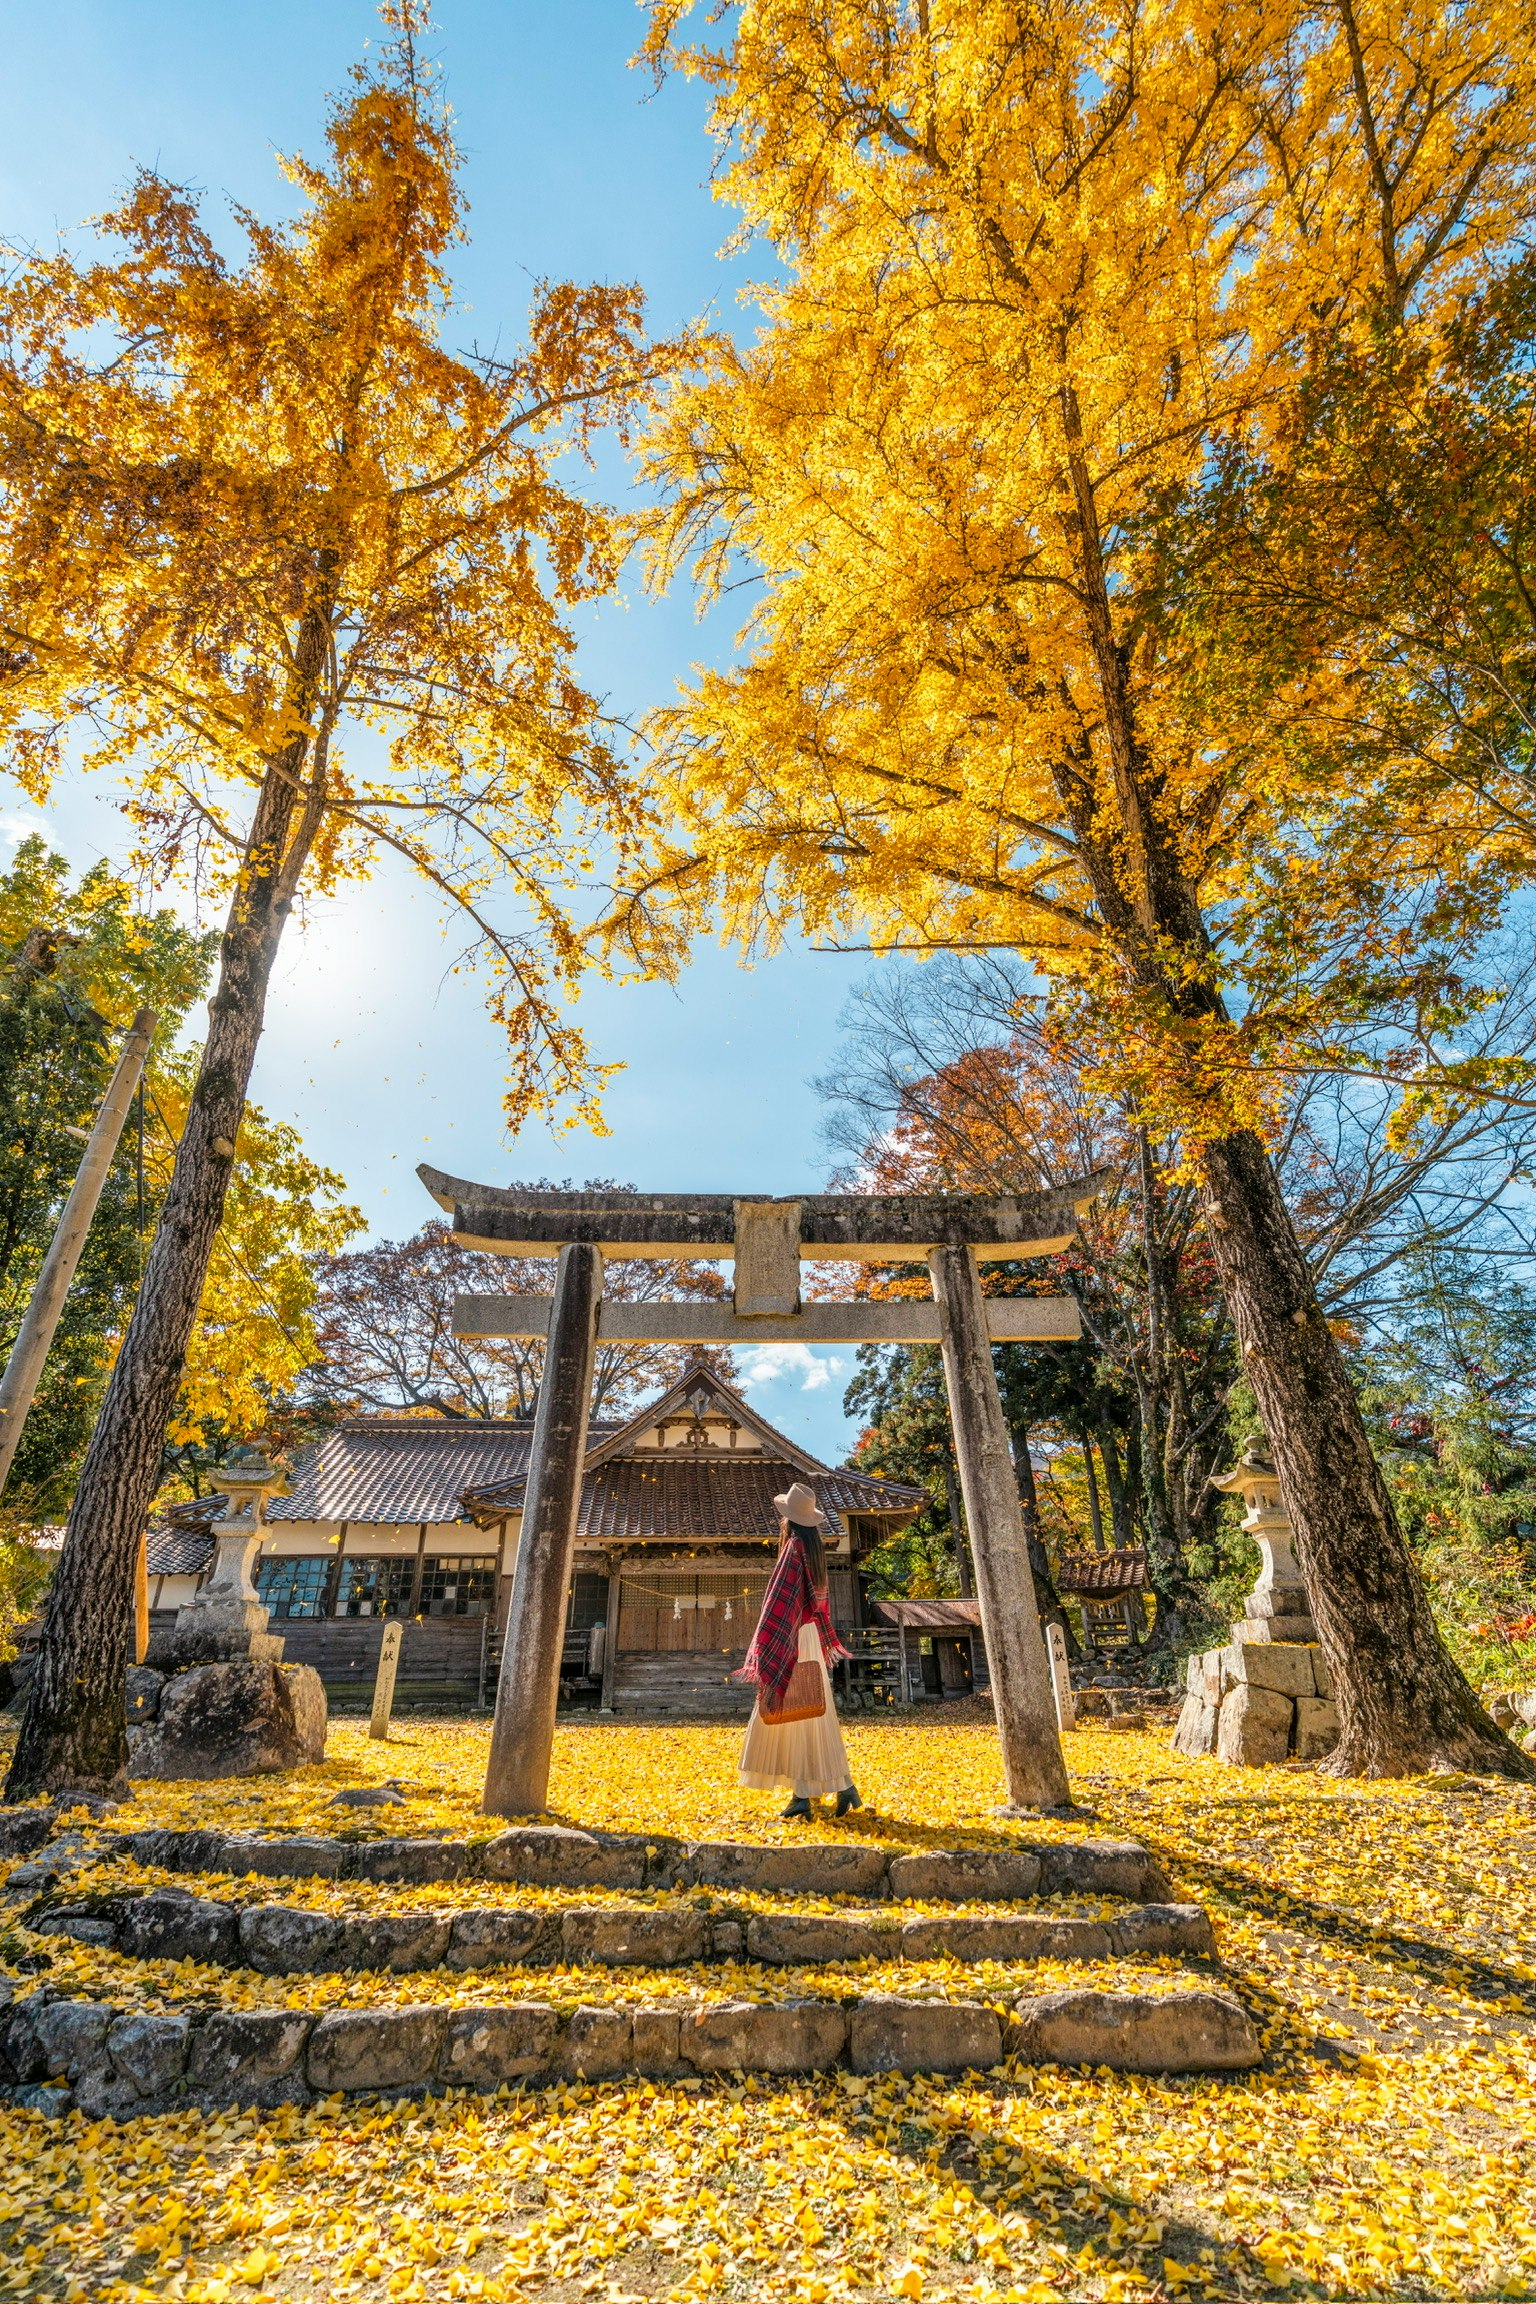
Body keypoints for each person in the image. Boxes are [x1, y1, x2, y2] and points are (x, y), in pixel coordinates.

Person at [737, 1480, 863, 1820]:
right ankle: (836, 1787)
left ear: (788, 1520)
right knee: (810, 1716)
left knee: (793, 1714)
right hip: (809, 1638)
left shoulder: (793, 1549)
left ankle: (807, 1796)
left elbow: (778, 1602)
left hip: (793, 1639)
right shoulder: (816, 1551)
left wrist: (766, 1640)